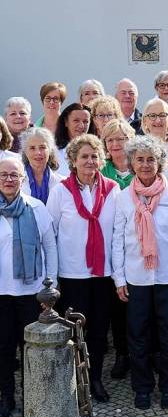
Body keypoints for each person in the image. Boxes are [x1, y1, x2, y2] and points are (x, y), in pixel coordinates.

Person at [111, 135, 168, 410]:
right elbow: (117, 240)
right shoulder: (123, 198)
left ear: (160, 163)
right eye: (140, 159)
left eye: (151, 159)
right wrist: (119, 278)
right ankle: (142, 388)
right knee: (138, 335)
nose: (145, 164)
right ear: (132, 163)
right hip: (136, 277)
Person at [47, 133, 121, 402]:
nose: (90, 161)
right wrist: (52, 277)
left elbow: (118, 233)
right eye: (84, 156)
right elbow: (51, 235)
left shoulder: (113, 189)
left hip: (103, 274)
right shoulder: (60, 191)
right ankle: (73, 382)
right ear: (73, 161)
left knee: (99, 330)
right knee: (72, 330)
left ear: (101, 159)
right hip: (72, 274)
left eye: (94, 156)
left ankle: (95, 378)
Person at [0, 157, 57, 417]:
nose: (9, 179)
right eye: (3, 175)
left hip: (31, 292)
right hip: (1, 293)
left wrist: (51, 284)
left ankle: (32, 396)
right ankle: (6, 396)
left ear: (23, 179)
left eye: (14, 175)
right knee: (3, 348)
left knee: (31, 348)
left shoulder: (36, 207)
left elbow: (50, 247)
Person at [98, 118, 136, 379]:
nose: (115, 144)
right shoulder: (101, 172)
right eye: (110, 139)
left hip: (138, 247)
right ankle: (123, 354)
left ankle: (147, 353)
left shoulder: (140, 168)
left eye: (120, 138)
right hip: (111, 248)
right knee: (118, 306)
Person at [19, 128, 63, 203]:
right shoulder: (17, 182)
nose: (38, 152)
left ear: (50, 150)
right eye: (32, 148)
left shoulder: (62, 182)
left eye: (42, 147)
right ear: (25, 152)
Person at [54, 103, 91, 176]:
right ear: (66, 122)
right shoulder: (54, 152)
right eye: (76, 121)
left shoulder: (96, 151)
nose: (81, 126)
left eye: (85, 121)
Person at [141, 98, 168, 172]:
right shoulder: (137, 149)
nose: (158, 120)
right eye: (152, 116)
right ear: (145, 121)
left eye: (162, 115)